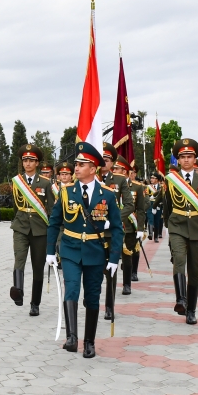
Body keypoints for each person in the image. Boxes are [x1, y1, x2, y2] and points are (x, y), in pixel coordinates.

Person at [45, 141, 123, 358]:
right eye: (76, 164)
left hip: (95, 252)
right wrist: (51, 251)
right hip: (70, 249)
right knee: (71, 289)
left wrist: (115, 258)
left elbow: (117, 228)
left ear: (93, 168)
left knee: (92, 296)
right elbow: (54, 222)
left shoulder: (107, 195)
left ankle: (89, 342)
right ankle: (72, 338)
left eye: (81, 164)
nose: (76, 168)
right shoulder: (66, 192)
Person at [163, 138, 198, 325]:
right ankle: (181, 300)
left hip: (197, 229)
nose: (186, 160)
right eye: (183, 157)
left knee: (194, 272)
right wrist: (167, 226)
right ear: (178, 160)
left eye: (190, 156)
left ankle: (191, 310)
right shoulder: (171, 180)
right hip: (177, 226)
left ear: (195, 159)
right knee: (178, 260)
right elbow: (167, 206)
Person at [9, 144, 56, 317]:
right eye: (25, 160)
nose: (27, 163)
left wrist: (53, 233)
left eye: (31, 160)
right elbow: (16, 207)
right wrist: (17, 222)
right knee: (19, 259)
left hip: (40, 230)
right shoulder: (16, 182)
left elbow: (51, 210)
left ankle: (35, 303)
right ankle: (18, 291)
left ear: (37, 163)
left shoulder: (45, 183)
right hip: (21, 227)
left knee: (38, 267)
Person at [99, 143, 134, 321]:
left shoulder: (119, 180)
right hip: (92, 232)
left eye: (107, 159)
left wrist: (113, 220)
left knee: (110, 269)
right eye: (101, 159)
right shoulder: (87, 179)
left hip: (111, 232)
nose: (103, 162)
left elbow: (129, 204)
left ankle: (109, 306)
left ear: (112, 162)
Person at [111, 156, 144, 295]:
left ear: (124, 171)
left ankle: (126, 284)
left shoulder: (137, 187)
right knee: (112, 257)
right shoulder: (109, 183)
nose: (114, 170)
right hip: (112, 226)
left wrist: (141, 228)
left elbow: (141, 208)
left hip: (130, 226)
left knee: (127, 256)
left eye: (117, 169)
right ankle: (110, 285)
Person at [147, 173, 164, 242]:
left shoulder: (161, 187)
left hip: (158, 206)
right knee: (150, 219)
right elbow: (145, 196)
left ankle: (156, 237)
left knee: (157, 221)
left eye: (153, 178)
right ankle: (150, 234)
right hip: (150, 205)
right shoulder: (148, 187)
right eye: (151, 178)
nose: (151, 179)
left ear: (157, 179)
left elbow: (163, 197)